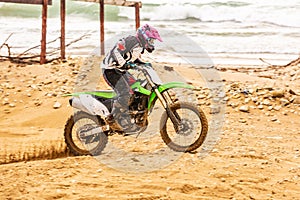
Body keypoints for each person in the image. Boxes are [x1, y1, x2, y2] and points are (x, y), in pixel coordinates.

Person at [101, 24, 163, 129]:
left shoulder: (140, 47)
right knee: (125, 93)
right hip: (110, 69)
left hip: (121, 71)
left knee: (137, 88)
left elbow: (133, 58)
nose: (151, 43)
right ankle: (111, 118)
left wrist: (144, 64)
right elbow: (116, 51)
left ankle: (130, 115)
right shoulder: (130, 40)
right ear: (144, 37)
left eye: (153, 41)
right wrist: (124, 63)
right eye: (151, 40)